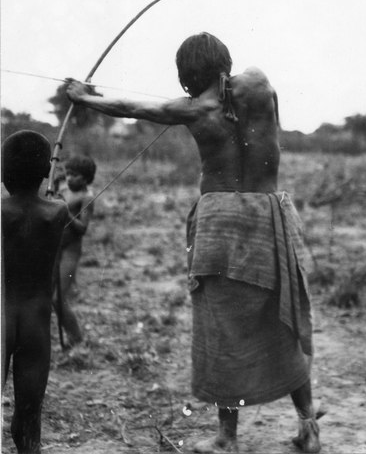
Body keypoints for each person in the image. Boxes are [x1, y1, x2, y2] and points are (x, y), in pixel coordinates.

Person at [66, 31, 321, 453]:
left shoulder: (195, 109)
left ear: (187, 76)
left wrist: (85, 96)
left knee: (222, 328)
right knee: (283, 318)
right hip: (266, 214)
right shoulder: (256, 85)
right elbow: (255, 94)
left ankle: (227, 438)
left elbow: (132, 106)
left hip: (221, 221)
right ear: (225, 61)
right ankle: (308, 426)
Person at [1, 130, 68, 454]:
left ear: (2, 173)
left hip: (2, 316)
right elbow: (50, 207)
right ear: (46, 171)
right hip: (35, 323)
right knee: (28, 419)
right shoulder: (58, 212)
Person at [53, 154, 96, 347]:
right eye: (68, 173)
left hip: (70, 250)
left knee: (58, 299)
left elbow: (83, 228)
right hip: (54, 249)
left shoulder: (87, 197)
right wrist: (54, 188)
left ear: (86, 178)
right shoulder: (62, 188)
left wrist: (66, 212)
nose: (69, 178)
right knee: (45, 295)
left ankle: (77, 338)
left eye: (75, 175)